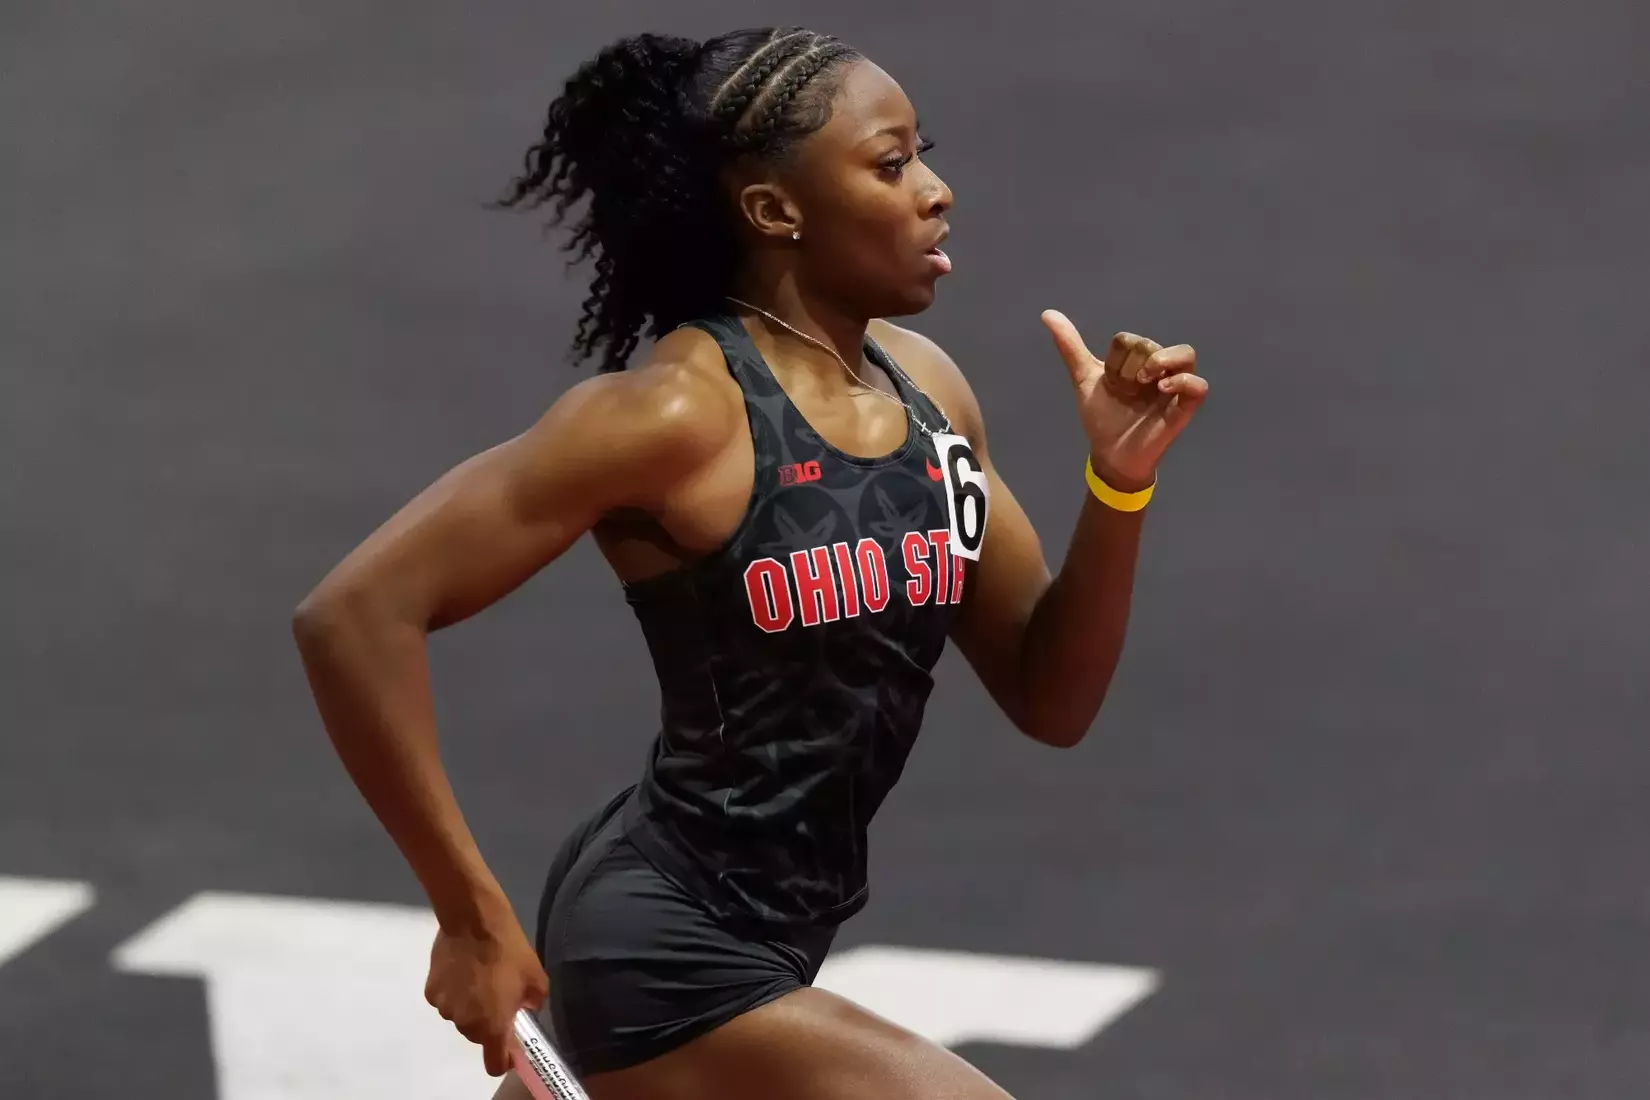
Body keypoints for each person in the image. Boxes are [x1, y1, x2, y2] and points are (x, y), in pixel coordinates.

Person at [291, 24, 1207, 1100]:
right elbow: (353, 613)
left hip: (779, 932)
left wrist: (1120, 481)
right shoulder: (679, 415)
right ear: (776, 211)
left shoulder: (928, 393)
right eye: (891, 162)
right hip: (668, 944)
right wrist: (468, 912)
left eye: (923, 152)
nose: (937, 189)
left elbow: (1051, 692)